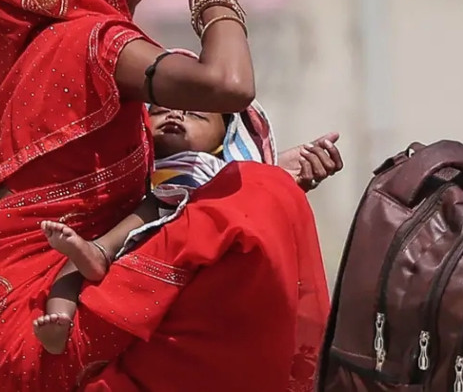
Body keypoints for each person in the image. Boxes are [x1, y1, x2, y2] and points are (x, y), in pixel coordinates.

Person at [0, 0, 330, 390]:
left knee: (259, 189)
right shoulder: (90, 40)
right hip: (44, 321)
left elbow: (171, 187)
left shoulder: (63, 54)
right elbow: (230, 85)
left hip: (36, 318)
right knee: (260, 200)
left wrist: (268, 164)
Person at [33, 104, 343, 355]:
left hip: (176, 294)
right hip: (122, 260)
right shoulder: (122, 172)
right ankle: (60, 322)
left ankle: (97, 254)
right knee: (72, 266)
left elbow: (246, 195)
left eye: (195, 114)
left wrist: (272, 174)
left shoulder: (222, 176)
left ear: (227, 138)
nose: (176, 114)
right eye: (158, 110)